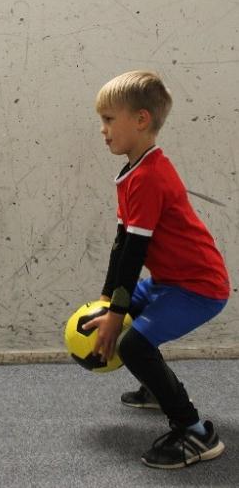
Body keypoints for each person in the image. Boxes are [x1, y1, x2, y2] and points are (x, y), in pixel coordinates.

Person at [83, 71, 230, 469]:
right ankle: (155, 385)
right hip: (168, 282)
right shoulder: (132, 172)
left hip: (198, 288)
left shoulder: (150, 177)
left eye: (110, 120)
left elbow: (135, 252)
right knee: (120, 320)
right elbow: (121, 243)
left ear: (141, 120)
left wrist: (116, 315)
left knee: (132, 344)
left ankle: (196, 433)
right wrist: (105, 300)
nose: (103, 130)